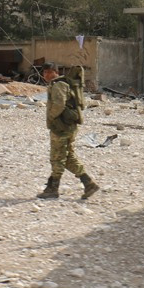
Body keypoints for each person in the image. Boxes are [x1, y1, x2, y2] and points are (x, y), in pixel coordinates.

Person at [37, 62, 100, 200]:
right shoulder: (63, 83)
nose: (46, 75)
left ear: (55, 71)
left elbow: (59, 104)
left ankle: (53, 188)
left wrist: (52, 117)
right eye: (44, 72)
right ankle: (88, 183)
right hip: (67, 126)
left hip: (61, 127)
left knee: (57, 157)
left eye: (48, 72)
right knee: (68, 157)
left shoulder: (59, 84)